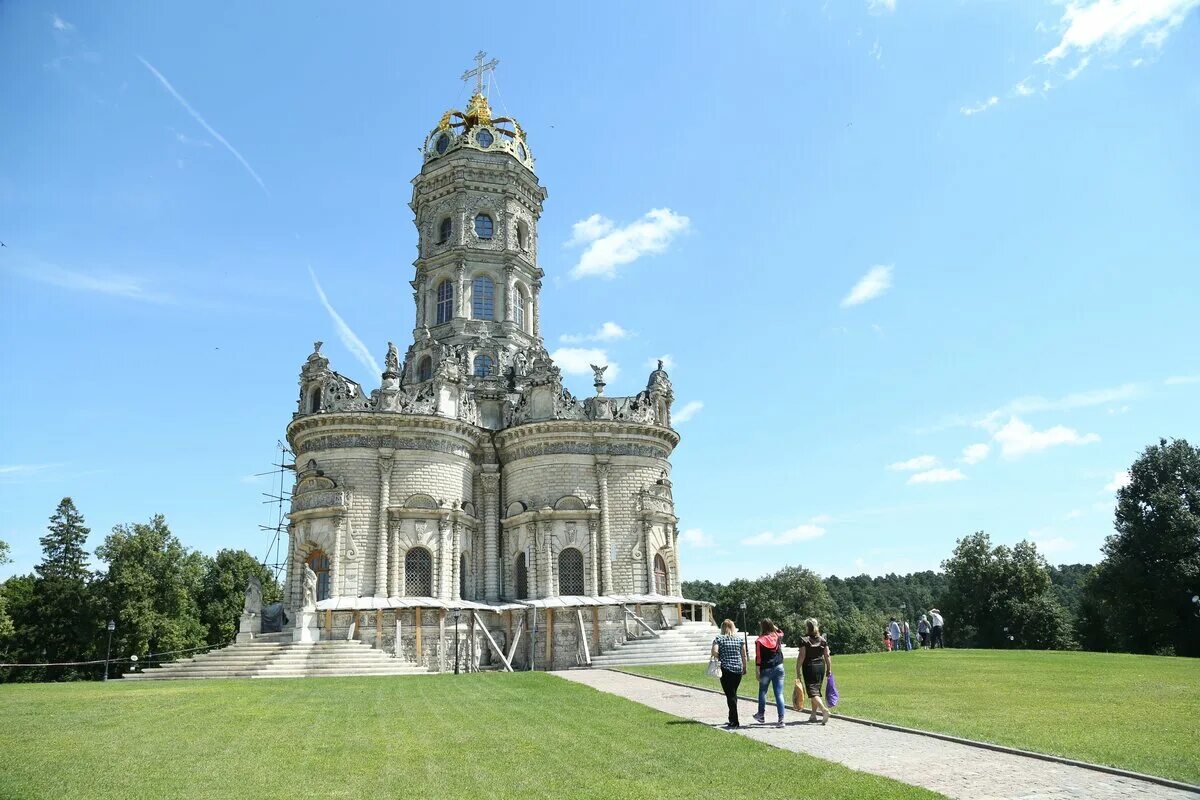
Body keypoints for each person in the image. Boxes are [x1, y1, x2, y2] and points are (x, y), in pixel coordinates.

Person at [711, 619, 749, 729]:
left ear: (722, 628)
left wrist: (720, 656)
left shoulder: (719, 639)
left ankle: (735, 721)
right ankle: (731, 718)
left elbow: (714, 651)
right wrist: (744, 667)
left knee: (730, 694)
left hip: (726, 669)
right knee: (733, 693)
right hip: (738, 669)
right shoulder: (739, 639)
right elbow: (743, 655)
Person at [796, 618, 832, 725]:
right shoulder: (823, 640)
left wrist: (798, 669)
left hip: (809, 667)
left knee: (812, 692)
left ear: (807, 627)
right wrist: (829, 669)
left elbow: (801, 656)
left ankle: (824, 710)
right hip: (821, 666)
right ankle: (813, 715)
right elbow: (827, 656)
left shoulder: (804, 640)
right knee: (816, 690)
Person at [752, 619, 787, 727]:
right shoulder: (777, 636)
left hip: (766, 669)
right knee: (779, 694)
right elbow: (782, 632)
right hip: (779, 667)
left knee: (763, 692)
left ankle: (761, 715)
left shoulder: (759, 640)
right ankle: (781, 719)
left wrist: (757, 671)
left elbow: (758, 657)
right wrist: (774, 627)